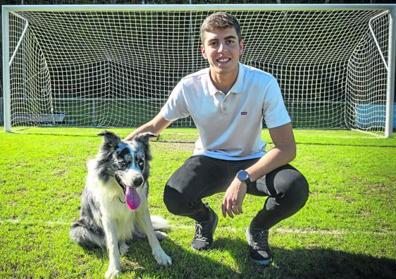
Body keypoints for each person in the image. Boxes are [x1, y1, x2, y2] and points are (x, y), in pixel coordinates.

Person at [126, 12, 309, 266]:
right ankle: (205, 219)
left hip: (252, 160)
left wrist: (244, 177)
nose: (222, 49)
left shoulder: (264, 83)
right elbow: (155, 126)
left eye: (230, 41)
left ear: (241, 46)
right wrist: (117, 152)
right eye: (214, 43)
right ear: (203, 50)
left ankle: (258, 229)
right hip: (208, 159)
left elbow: (287, 148)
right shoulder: (190, 86)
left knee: (295, 187)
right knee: (174, 196)